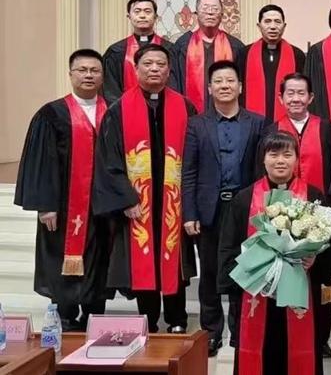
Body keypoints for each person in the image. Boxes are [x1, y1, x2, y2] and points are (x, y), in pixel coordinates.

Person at [93, 43, 196, 334]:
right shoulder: (118, 111)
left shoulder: (184, 107)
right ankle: (148, 320)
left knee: (174, 263)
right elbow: (109, 160)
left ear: (169, 70)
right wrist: (126, 198)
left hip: (174, 201)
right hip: (138, 203)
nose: (154, 69)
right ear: (135, 69)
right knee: (143, 261)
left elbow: (193, 157)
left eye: (160, 64)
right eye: (148, 64)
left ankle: (177, 319)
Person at [218, 132, 329, 375]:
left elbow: (330, 248)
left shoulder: (314, 197)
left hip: (301, 295)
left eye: (287, 154)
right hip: (257, 296)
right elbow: (228, 247)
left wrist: (315, 259)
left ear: (297, 159)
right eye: (274, 154)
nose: (281, 160)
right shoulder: (244, 199)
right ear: (263, 159)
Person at [15, 49, 110, 331]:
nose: (89, 75)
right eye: (82, 70)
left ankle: (94, 311)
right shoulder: (52, 113)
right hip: (64, 205)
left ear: (102, 75)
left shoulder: (113, 110)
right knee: (60, 258)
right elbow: (41, 162)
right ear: (70, 74)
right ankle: (65, 314)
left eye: (94, 70)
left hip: (103, 206)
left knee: (99, 258)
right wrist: (46, 204)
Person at [181, 60, 266, 356]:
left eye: (230, 80)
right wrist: (189, 212)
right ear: (209, 88)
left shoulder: (258, 122)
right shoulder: (196, 125)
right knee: (210, 274)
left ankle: (240, 331)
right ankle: (212, 332)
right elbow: (188, 171)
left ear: (240, 87)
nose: (225, 86)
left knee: (244, 270)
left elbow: (262, 169)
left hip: (246, 210)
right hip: (209, 211)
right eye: (218, 81)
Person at [260, 72, 331, 357]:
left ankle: (322, 334)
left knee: (321, 274)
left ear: (311, 97)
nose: (295, 98)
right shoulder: (271, 131)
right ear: (281, 98)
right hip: (279, 210)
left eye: (301, 93)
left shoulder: (327, 129)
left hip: (320, 209)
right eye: (289, 93)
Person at [172, 0, 245, 113]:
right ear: (196, 14)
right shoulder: (182, 45)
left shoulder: (235, 46)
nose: (210, 13)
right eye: (205, 8)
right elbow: (175, 84)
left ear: (222, 15)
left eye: (215, 9)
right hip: (189, 115)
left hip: (227, 115)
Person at [241, 4, 305, 123]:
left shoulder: (298, 55)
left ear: (284, 26)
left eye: (277, 22)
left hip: (288, 122)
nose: (273, 26)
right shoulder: (244, 53)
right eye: (267, 21)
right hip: (251, 123)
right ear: (259, 26)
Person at [102, 0, 173, 104]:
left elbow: (175, 84)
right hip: (127, 109)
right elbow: (110, 89)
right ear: (129, 16)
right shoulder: (116, 51)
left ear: (155, 17)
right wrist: (122, 109)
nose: (142, 16)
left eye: (147, 11)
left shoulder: (170, 49)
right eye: (137, 11)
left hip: (164, 108)